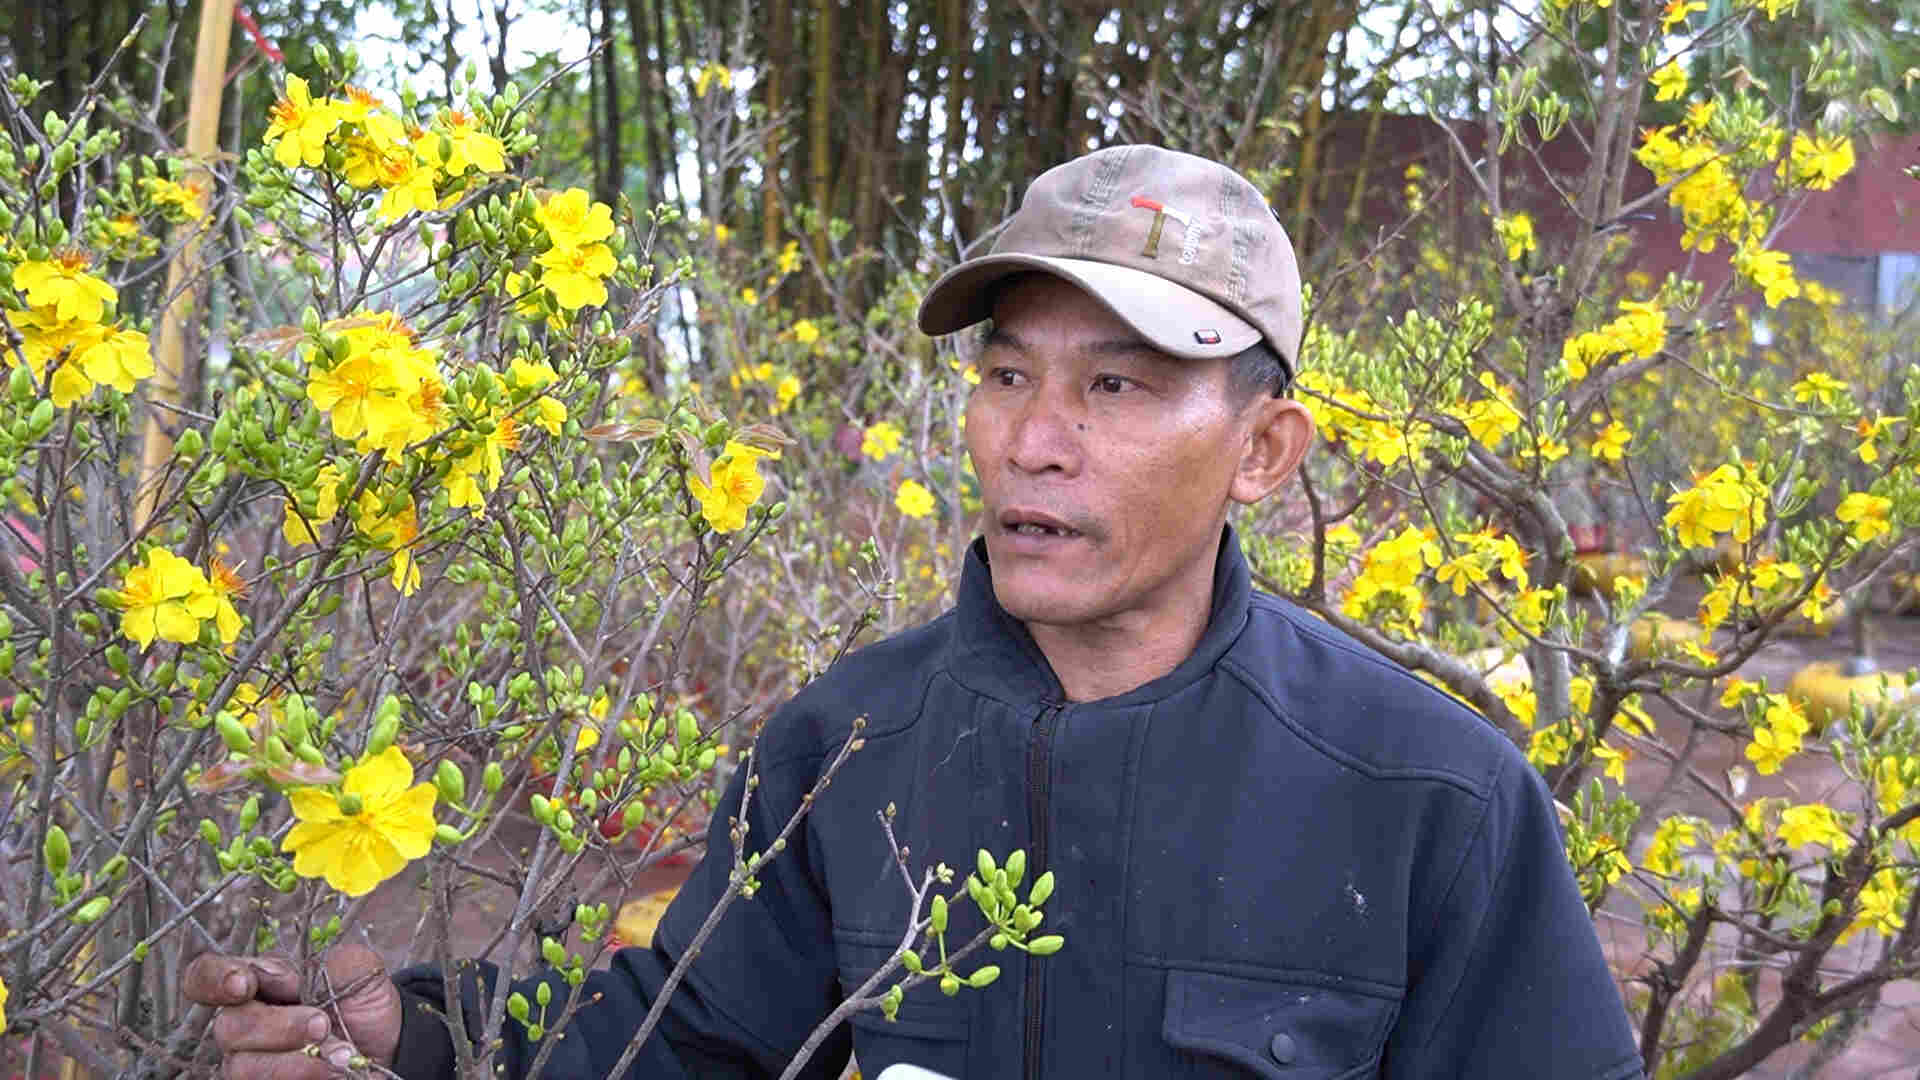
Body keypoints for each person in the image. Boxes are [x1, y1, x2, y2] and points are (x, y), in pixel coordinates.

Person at [186, 145, 1644, 1079]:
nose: (1035, 438)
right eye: (1008, 376)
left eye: (1117, 385)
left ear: (1265, 451)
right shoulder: (846, 741)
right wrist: (426, 1039)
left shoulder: (1429, 796)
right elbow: (691, 1045)